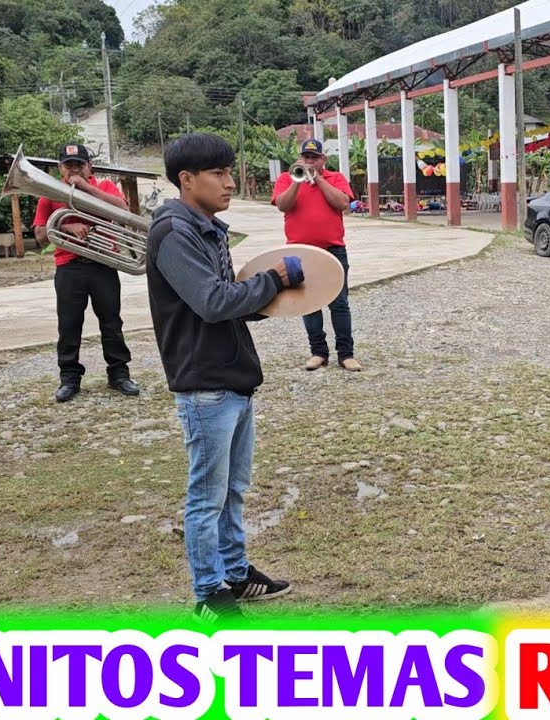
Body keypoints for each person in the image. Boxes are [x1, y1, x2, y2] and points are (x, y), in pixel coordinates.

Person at [147, 132, 299, 623]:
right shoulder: (175, 232)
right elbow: (212, 303)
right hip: (204, 383)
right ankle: (208, 594)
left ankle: (235, 573)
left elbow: (226, 300)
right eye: (218, 173)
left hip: (231, 377)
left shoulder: (207, 227)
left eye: (230, 172)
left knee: (232, 489)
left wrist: (271, 297)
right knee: (207, 497)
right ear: (187, 179)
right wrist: (272, 280)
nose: (230, 182)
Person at [32, 143, 139, 402]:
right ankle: (69, 379)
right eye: (69, 165)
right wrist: (66, 227)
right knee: (69, 324)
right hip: (69, 265)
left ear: (89, 167)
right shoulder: (49, 193)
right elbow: (40, 236)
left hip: (103, 263)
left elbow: (122, 210)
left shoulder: (104, 186)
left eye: (80, 165)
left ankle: (119, 374)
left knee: (111, 322)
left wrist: (85, 188)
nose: (74, 169)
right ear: (60, 169)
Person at [271, 139, 361, 372]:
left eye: (314, 157)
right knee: (309, 302)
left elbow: (342, 203)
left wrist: (318, 179)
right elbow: (282, 205)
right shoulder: (287, 178)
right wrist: (297, 181)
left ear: (323, 159)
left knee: (339, 303)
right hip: (300, 251)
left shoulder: (336, 178)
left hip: (333, 249)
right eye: (306, 157)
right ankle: (318, 352)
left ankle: (346, 354)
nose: (309, 161)